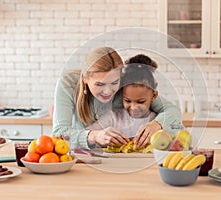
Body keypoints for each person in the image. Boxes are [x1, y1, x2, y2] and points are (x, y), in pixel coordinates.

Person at [52, 47, 182, 149]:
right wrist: (94, 136)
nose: (108, 91)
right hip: (78, 159)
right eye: (100, 84)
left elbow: (172, 110)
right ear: (85, 78)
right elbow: (59, 134)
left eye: (114, 82)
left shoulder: (126, 85)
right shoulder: (68, 84)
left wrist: (157, 124)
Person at [87, 54, 159, 142]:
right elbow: (87, 133)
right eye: (127, 101)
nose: (133, 107)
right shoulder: (113, 117)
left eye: (141, 102)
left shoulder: (156, 121)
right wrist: (99, 137)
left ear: (154, 96)